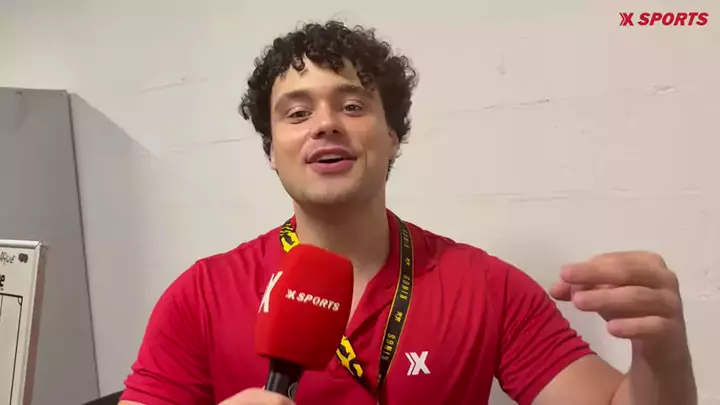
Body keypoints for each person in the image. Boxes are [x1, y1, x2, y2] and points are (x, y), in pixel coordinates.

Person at [119, 20, 697, 405]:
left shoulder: (487, 287)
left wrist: (663, 356)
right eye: (296, 114)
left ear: (392, 136)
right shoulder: (201, 296)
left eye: (352, 105)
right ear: (272, 152)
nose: (326, 124)